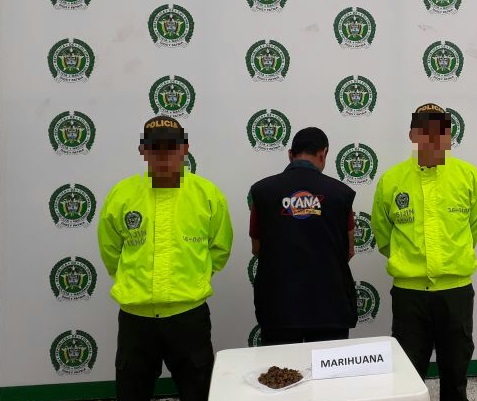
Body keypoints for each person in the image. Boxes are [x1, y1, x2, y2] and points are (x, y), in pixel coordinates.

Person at [97, 116, 233, 401]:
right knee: (131, 394)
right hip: (136, 320)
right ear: (143, 150)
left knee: (198, 392)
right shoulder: (122, 195)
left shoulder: (207, 195)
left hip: (188, 317)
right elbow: (110, 251)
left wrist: (193, 280)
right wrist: (135, 284)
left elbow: (219, 249)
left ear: (185, 149)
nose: (163, 155)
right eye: (154, 148)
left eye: (171, 147)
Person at [371, 103, 477, 401]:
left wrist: (453, 257)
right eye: (425, 132)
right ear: (413, 135)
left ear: (448, 137)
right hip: (410, 295)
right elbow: (383, 234)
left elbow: (476, 225)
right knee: (408, 379)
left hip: (456, 292)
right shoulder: (391, 180)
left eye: (440, 132)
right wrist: (407, 261)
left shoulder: (468, 176)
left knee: (455, 375)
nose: (433, 139)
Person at [249, 127, 358, 346]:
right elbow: (349, 250)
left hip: (278, 307)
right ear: (323, 154)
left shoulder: (262, 191)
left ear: (290, 154)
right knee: (328, 369)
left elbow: (257, 248)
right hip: (330, 306)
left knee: (282, 368)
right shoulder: (341, 193)